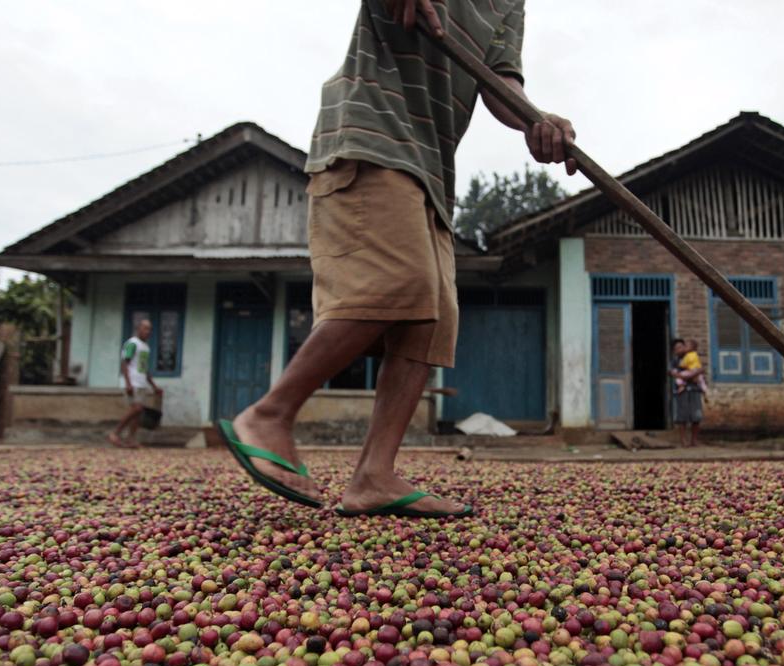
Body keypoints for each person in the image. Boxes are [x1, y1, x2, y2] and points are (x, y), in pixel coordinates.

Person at [218, 0, 576, 517]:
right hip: (372, 134)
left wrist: (535, 120)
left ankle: (374, 475)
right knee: (398, 282)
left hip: (431, 167)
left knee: (432, 318)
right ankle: (269, 415)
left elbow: (499, 80)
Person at [109, 319, 162, 448]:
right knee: (136, 409)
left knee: (139, 412)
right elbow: (124, 363)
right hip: (132, 382)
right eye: (145, 328)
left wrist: (154, 386)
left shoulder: (146, 347)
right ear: (138, 329)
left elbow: (145, 369)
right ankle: (115, 432)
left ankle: (131, 439)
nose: (147, 332)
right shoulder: (132, 344)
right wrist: (128, 383)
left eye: (149, 329)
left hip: (142, 382)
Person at [669, 338, 703, 447]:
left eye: (681, 347)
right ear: (674, 351)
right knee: (682, 417)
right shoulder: (675, 361)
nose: (679, 349)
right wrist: (685, 375)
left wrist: (695, 373)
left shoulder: (693, 356)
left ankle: (694, 440)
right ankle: (683, 440)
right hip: (682, 391)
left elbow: (700, 369)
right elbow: (672, 372)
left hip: (694, 389)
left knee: (696, 416)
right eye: (676, 348)